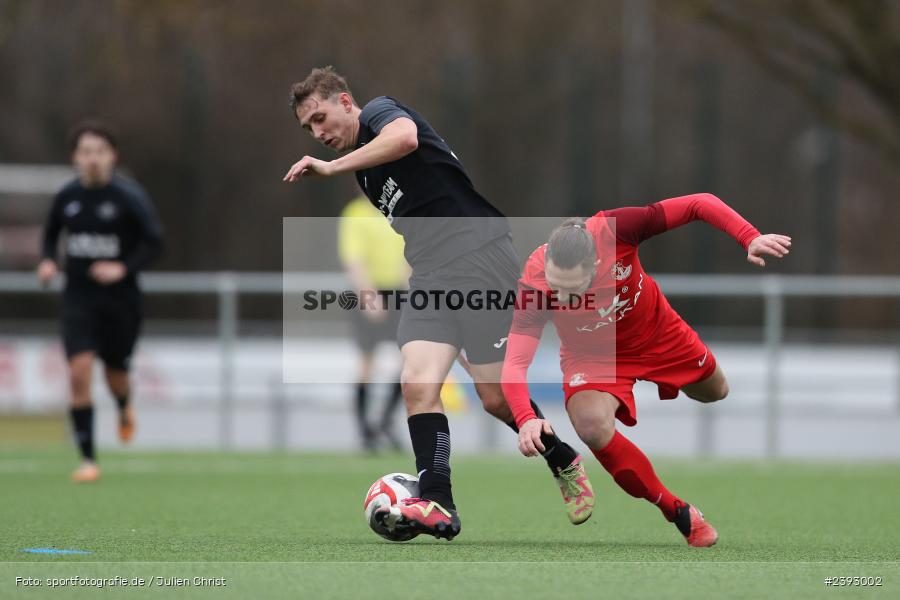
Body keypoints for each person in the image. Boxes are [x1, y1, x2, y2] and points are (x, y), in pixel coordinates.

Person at [284, 66, 594, 539]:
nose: (319, 132)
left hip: (479, 256)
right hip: (431, 275)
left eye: (322, 118)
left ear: (346, 102)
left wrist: (330, 167)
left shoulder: (383, 114)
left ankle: (564, 460)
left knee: (494, 398)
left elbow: (406, 138)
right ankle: (438, 501)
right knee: (416, 382)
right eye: (309, 128)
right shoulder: (365, 173)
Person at [501, 193, 791, 547]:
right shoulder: (534, 283)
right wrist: (525, 417)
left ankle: (680, 379)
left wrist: (749, 236)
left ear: (596, 262)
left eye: (572, 288)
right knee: (591, 427)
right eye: (555, 286)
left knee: (716, 392)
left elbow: (698, 203)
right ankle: (678, 511)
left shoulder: (617, 229)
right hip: (593, 358)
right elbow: (515, 363)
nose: (560, 297)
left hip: (658, 335)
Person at [37, 120, 164, 483]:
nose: (93, 159)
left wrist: (122, 268)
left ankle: (124, 407)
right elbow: (50, 238)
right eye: (86, 152)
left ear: (112, 156)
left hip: (121, 301)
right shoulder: (66, 197)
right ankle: (88, 459)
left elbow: (155, 243)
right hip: (78, 298)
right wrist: (47, 262)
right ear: (75, 157)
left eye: (100, 152)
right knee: (78, 373)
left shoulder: (129, 198)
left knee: (115, 377)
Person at [338, 195, 408, 452]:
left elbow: (410, 253)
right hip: (370, 294)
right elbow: (354, 260)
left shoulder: (401, 209)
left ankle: (386, 422)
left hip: (400, 293)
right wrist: (368, 294)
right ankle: (365, 431)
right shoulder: (355, 213)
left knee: (410, 361)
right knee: (367, 363)